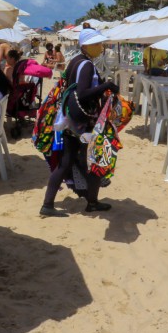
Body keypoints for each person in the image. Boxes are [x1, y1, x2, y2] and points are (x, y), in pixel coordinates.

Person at [39, 31, 119, 217]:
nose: (101, 47)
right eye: (97, 44)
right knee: (93, 160)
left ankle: (48, 204)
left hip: (70, 119)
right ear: (86, 46)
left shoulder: (75, 60)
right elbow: (82, 93)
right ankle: (91, 202)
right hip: (82, 122)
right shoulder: (87, 65)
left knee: (66, 162)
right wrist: (106, 86)